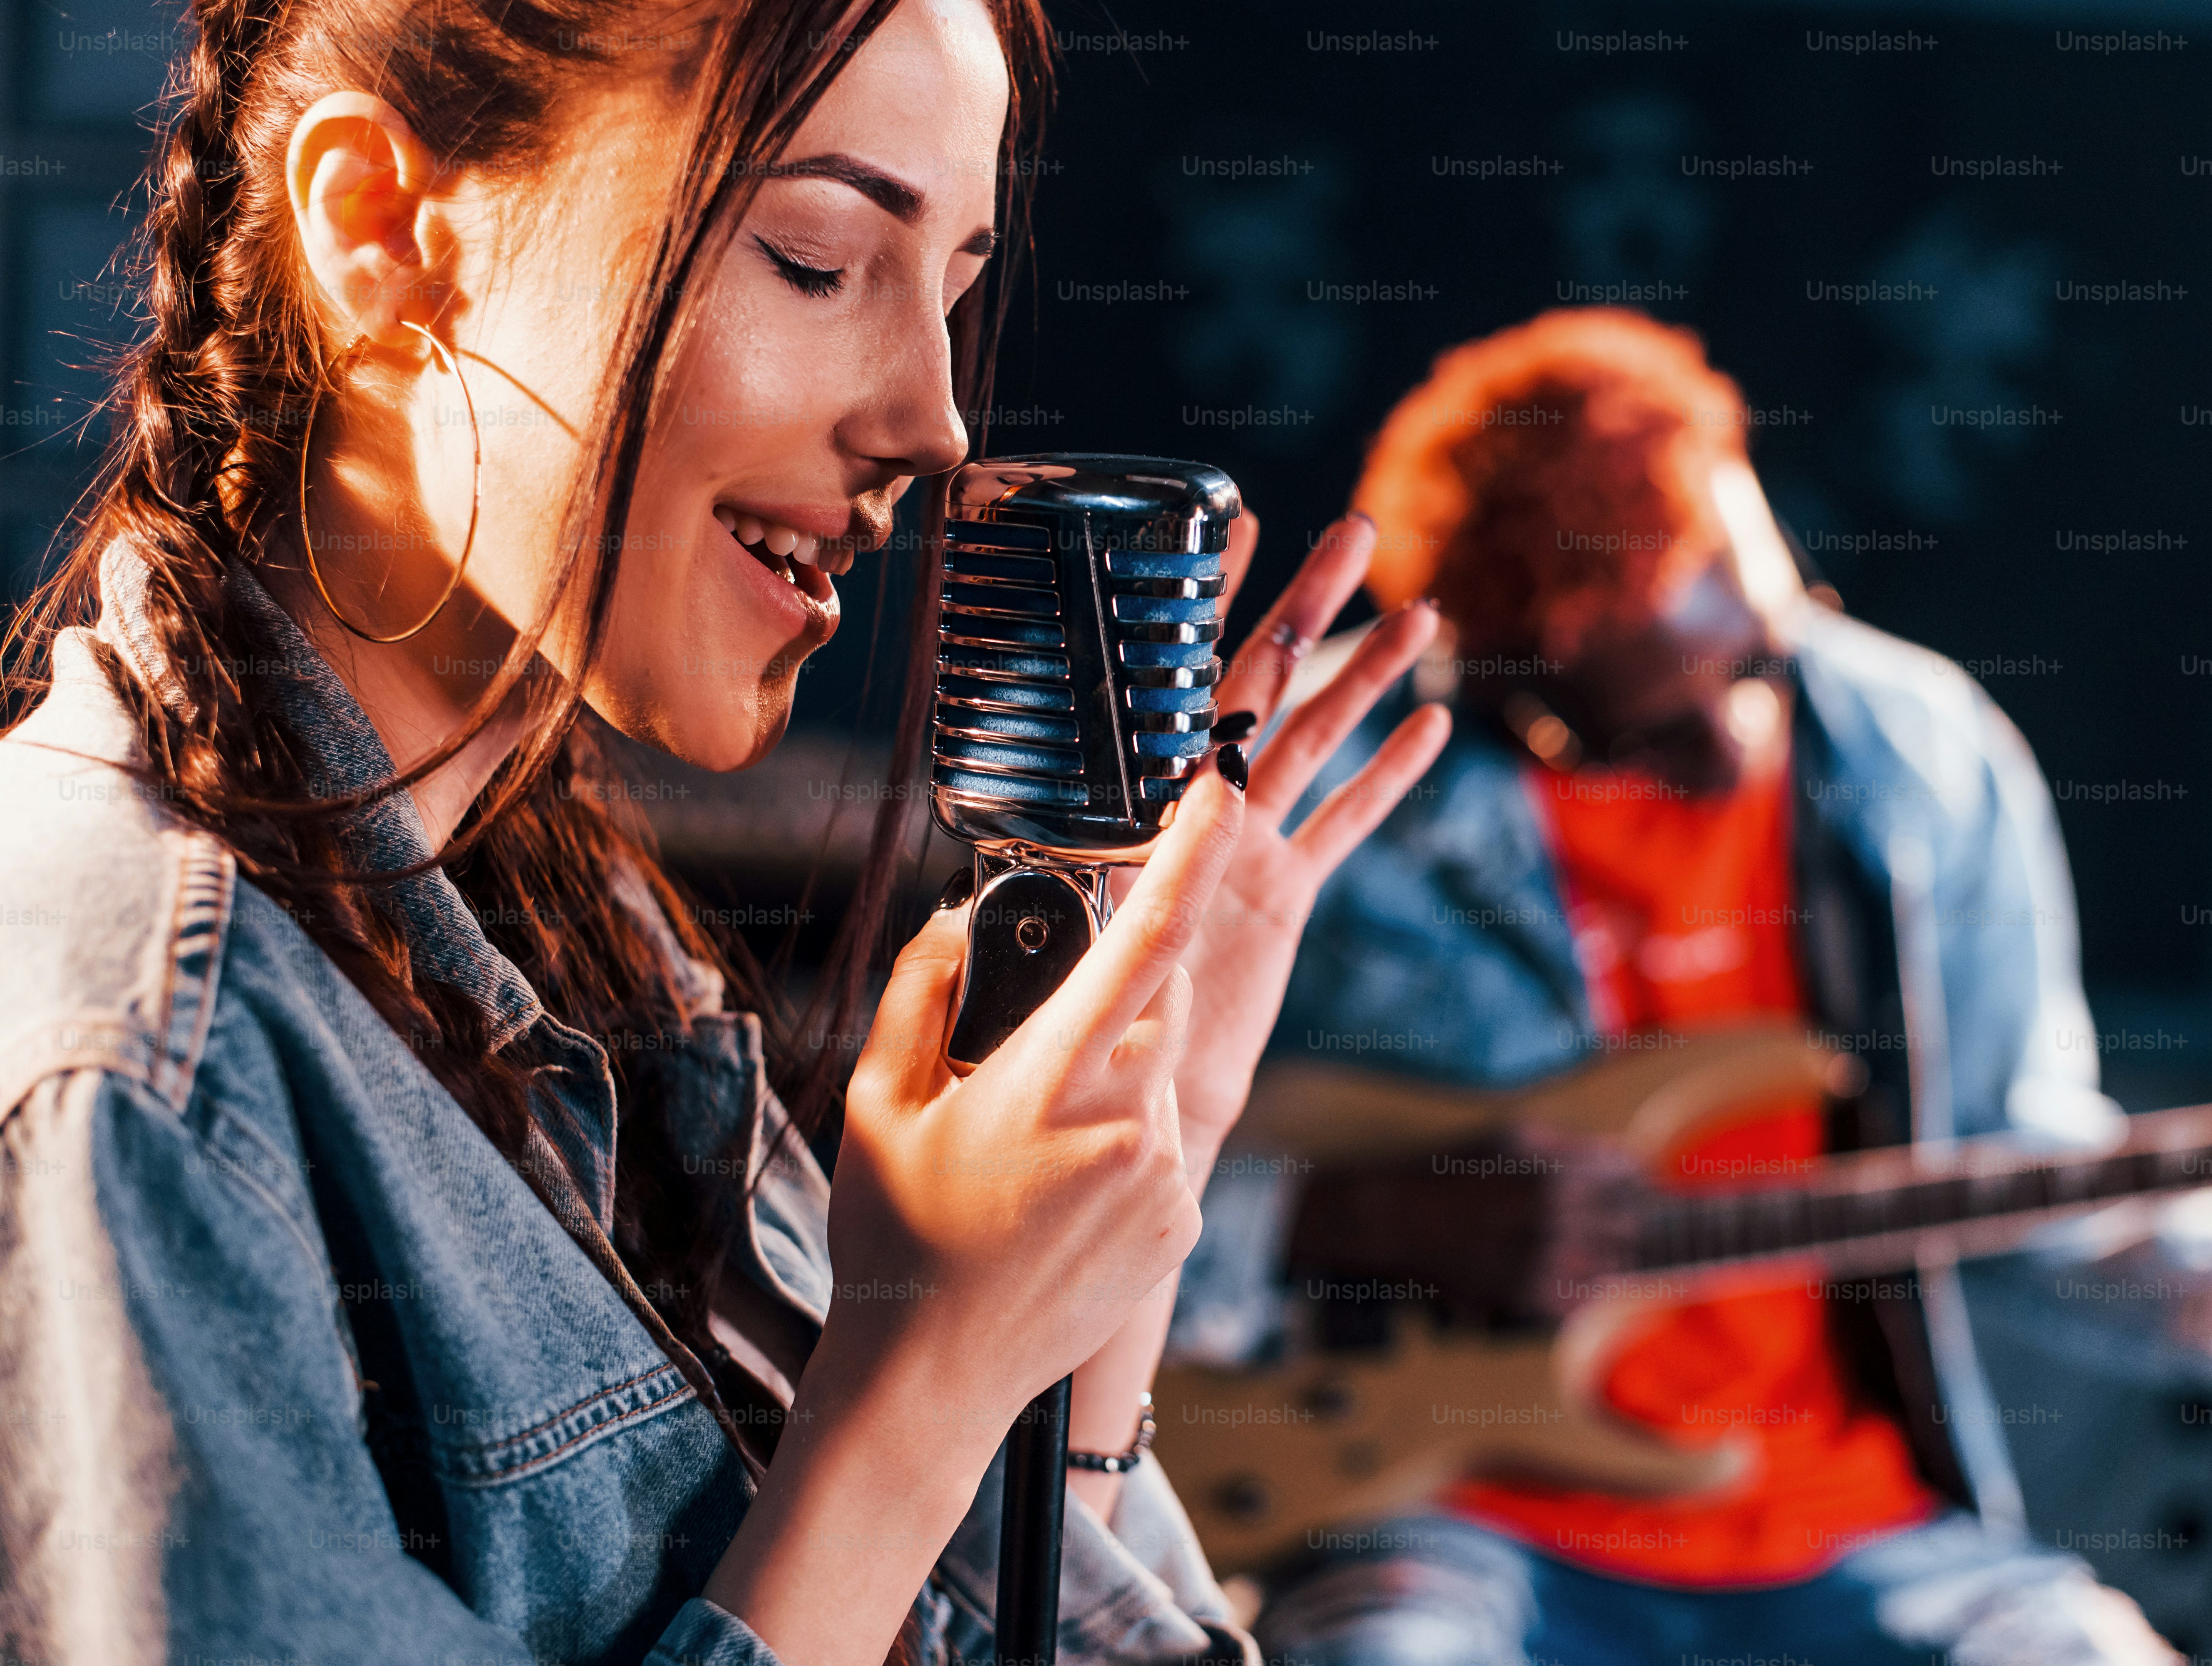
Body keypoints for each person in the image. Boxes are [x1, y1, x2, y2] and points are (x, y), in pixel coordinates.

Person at [0, 2, 1454, 1662]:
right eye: (818, 260)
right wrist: (916, 1383)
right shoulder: (126, 1063)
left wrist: (1132, 1173)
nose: (933, 422)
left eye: (956, 292)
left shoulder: (592, 961)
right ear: (380, 233)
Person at [1166, 309, 2212, 1666]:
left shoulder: (1925, 754)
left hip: (1860, 1527)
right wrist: (1355, 1217)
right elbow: (1077, 1185)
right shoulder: (1309, 778)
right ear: (1497, 675)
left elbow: (2020, 1181)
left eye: (1760, 652)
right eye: (1650, 730)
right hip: (1438, 1523)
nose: (1738, 736)